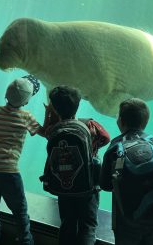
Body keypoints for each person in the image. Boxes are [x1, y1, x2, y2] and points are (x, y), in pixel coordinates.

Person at [100, 98, 153, 245]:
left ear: (120, 121)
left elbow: (106, 184)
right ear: (145, 122)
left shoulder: (117, 146)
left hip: (128, 219)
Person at [41, 85, 110, 245]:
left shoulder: (53, 129)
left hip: (64, 187)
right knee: (88, 226)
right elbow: (106, 137)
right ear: (78, 104)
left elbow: (45, 132)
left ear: (56, 109)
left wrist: (49, 113)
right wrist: (92, 149)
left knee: (67, 223)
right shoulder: (89, 125)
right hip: (87, 188)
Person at [0, 75, 42, 245]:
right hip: (9, 172)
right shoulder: (25, 117)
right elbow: (43, 132)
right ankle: (25, 242)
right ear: (27, 101)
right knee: (20, 213)